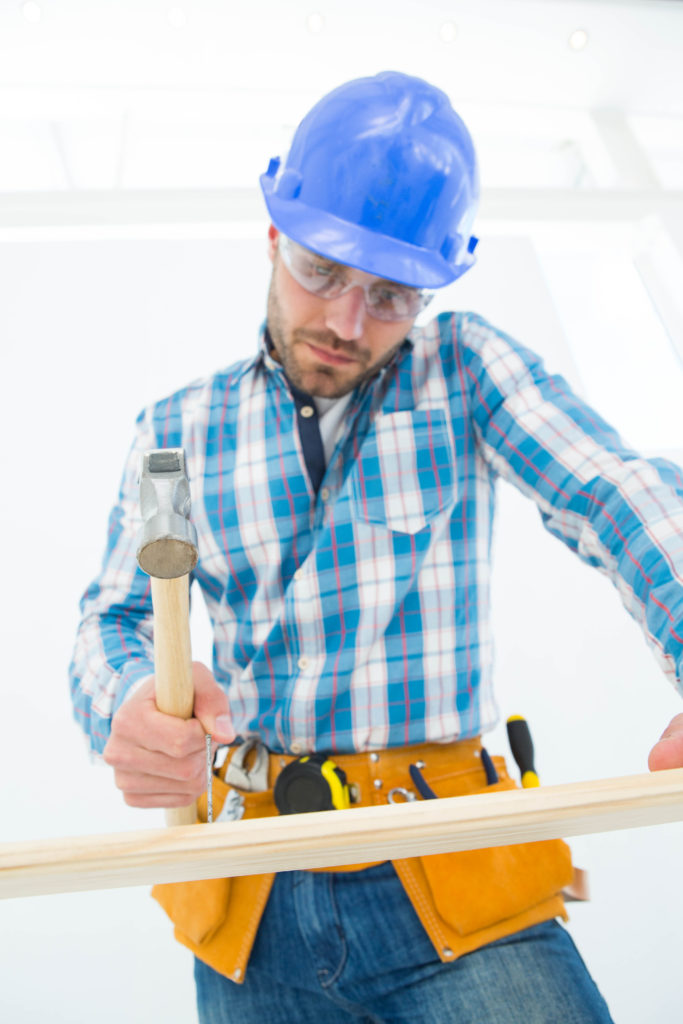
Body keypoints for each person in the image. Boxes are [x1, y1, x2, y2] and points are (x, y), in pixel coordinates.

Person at [70, 71, 683, 1023]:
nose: (347, 324)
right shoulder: (176, 435)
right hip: (251, 901)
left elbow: (618, 493)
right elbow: (113, 620)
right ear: (274, 234)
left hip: (455, 876)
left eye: (393, 295)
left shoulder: (467, 369)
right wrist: (126, 703)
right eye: (321, 272)